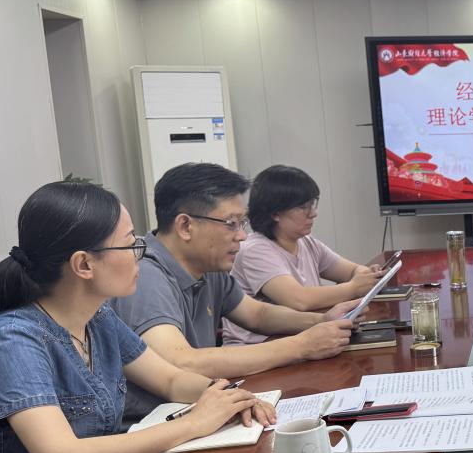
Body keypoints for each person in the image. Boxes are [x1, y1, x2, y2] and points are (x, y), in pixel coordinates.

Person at [0, 182, 274, 453]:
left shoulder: (98, 318)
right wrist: (194, 422)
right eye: (130, 244)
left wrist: (226, 396)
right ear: (84, 265)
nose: (141, 254)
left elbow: (170, 379)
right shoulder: (13, 340)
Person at [111, 163, 357, 420]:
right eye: (231, 224)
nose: (242, 236)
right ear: (185, 226)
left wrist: (321, 320)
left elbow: (257, 314)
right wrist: (301, 346)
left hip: (200, 407)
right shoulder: (146, 274)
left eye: (242, 223)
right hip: (156, 421)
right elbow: (181, 361)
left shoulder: (208, 265)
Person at [223, 165, 383, 345]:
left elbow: (352, 270)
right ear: (275, 213)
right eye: (303, 207)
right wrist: (354, 287)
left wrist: (365, 275)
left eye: (312, 204)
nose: (313, 213)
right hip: (258, 347)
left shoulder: (306, 242)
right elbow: (299, 300)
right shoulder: (255, 250)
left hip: (300, 339)